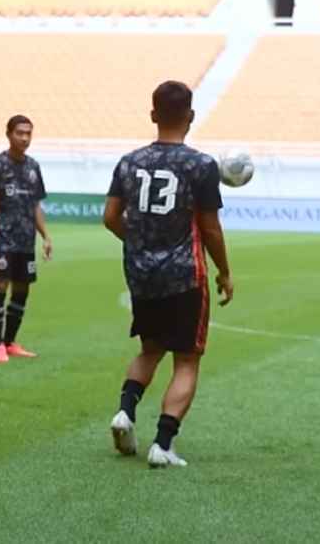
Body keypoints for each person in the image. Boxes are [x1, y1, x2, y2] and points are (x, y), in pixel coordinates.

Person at [104, 80, 234, 468]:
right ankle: (163, 444)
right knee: (187, 360)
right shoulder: (200, 165)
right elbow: (209, 228)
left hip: (142, 275)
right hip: (184, 276)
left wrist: (141, 242)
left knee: (150, 348)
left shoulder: (129, 161)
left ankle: (125, 412)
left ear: (153, 115)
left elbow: (110, 217)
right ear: (190, 116)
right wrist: (225, 271)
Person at [0, 115, 52, 364]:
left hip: (25, 241)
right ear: (8, 134)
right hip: (1, 239)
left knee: (22, 289)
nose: (25, 138)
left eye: (28, 133)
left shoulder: (33, 167)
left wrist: (46, 236)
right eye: (20, 133)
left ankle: (10, 342)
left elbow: (35, 205)